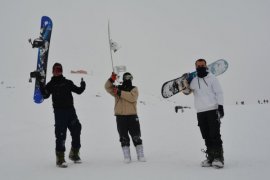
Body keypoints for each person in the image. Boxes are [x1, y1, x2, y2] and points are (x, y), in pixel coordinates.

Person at [38, 63, 86, 168]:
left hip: (70, 111)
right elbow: (45, 95)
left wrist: (83, 85)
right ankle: (60, 159)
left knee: (77, 129)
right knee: (61, 134)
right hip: (59, 113)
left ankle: (74, 154)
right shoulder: (51, 84)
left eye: (59, 69)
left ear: (62, 71)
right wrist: (41, 84)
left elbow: (78, 91)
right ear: (52, 71)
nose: (58, 71)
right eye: (56, 69)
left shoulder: (67, 82)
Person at [180, 59, 225, 168]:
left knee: (214, 135)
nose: (200, 67)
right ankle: (210, 157)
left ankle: (219, 158)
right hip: (200, 112)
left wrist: (220, 106)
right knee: (206, 135)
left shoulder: (212, 78)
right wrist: (184, 81)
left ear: (206, 66)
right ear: (195, 67)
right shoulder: (194, 81)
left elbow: (219, 92)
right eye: (198, 66)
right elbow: (186, 92)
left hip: (212, 110)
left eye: (202, 65)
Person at [105, 72, 146, 163]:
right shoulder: (117, 88)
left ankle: (140, 154)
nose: (127, 79)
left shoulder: (134, 89)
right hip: (120, 117)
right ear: (123, 78)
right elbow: (107, 87)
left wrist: (120, 92)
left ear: (131, 78)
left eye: (129, 77)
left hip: (132, 116)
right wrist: (111, 79)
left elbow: (132, 98)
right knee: (123, 137)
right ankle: (127, 156)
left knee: (136, 136)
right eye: (126, 77)